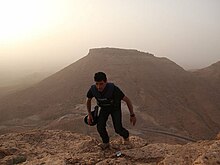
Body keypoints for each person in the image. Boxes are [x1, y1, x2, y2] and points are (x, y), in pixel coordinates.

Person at [86, 72, 136, 149]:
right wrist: (89, 114)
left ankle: (126, 137)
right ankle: (106, 142)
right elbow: (88, 100)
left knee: (118, 128)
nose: (99, 87)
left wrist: (132, 115)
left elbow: (127, 100)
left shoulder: (113, 89)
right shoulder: (93, 89)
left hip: (115, 109)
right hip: (104, 108)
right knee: (100, 126)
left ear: (106, 81)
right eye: (97, 84)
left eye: (101, 84)